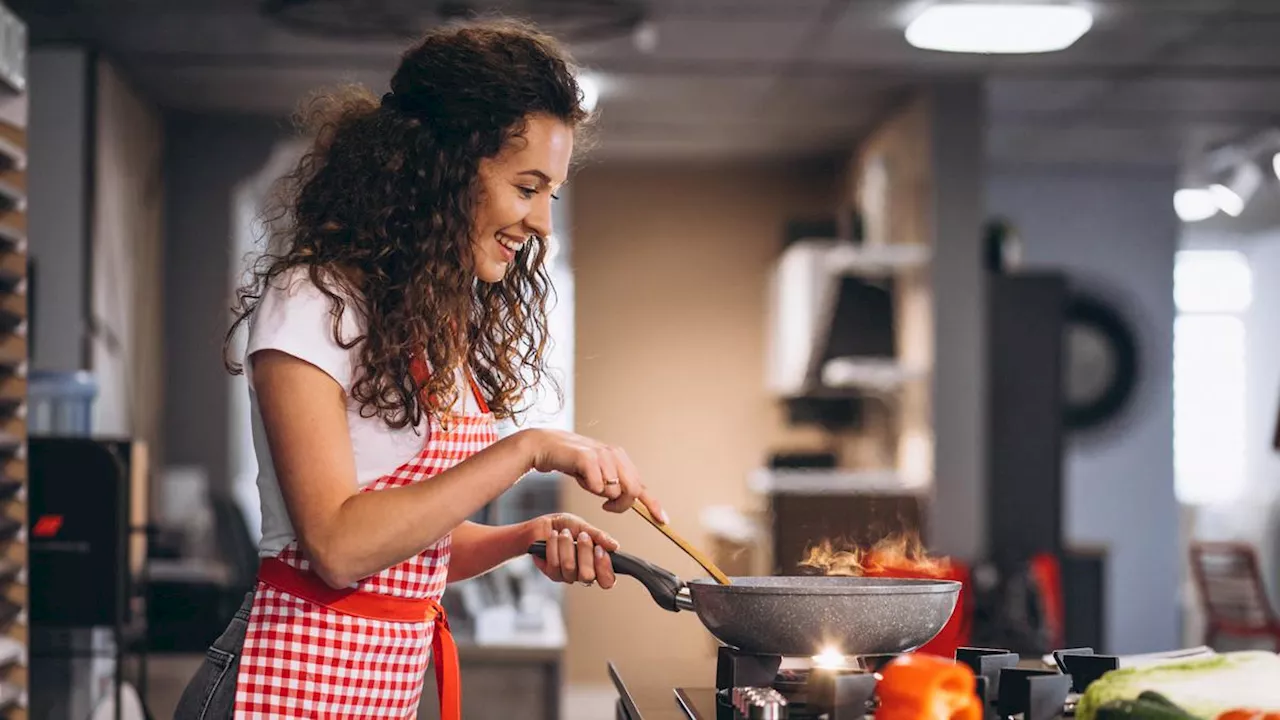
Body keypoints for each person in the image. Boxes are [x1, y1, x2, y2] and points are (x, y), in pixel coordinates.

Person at [174, 19, 666, 720]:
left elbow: (412, 549)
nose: (542, 224)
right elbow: (340, 548)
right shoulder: (312, 301)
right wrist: (528, 448)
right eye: (527, 187)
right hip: (278, 684)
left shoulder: (431, 322)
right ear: (445, 167)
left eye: (550, 195)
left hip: (375, 693)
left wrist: (521, 538)